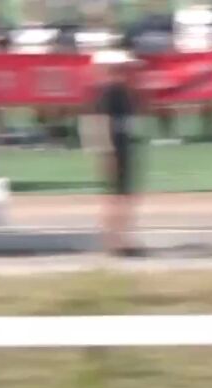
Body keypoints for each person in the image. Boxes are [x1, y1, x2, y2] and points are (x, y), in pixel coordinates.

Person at [93, 59, 146, 257]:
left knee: (125, 196)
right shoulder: (110, 94)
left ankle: (123, 238)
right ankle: (115, 240)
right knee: (117, 197)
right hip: (115, 150)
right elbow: (101, 125)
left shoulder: (126, 94)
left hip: (125, 147)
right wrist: (106, 153)